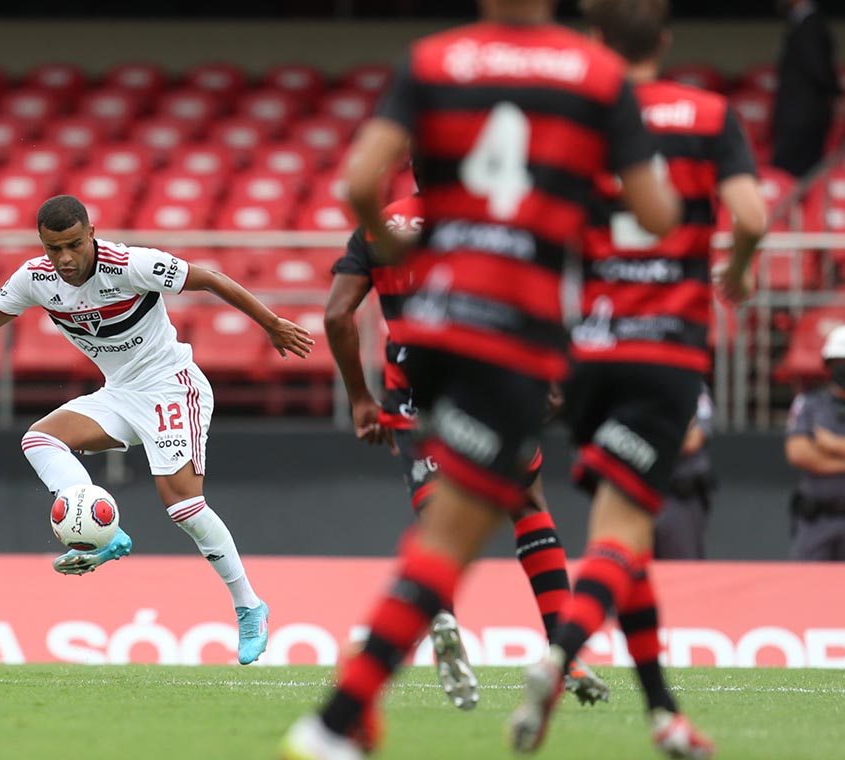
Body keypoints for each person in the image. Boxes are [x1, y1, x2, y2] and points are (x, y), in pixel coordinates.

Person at [280, 0, 679, 756]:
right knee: (487, 520)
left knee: (458, 517)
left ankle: (345, 717)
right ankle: (340, 720)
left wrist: (400, 243)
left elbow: (360, 182)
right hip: (511, 330)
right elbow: (652, 213)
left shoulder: (435, 60)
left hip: (426, 344)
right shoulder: (591, 73)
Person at [0, 195, 313, 666]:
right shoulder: (36, 279)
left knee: (183, 507)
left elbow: (211, 279)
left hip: (172, 387)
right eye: (55, 249)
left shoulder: (132, 265)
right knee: (38, 438)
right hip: (120, 394)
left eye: (75, 244)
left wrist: (272, 325)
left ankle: (249, 606)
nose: (66, 258)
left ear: (91, 232)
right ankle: (103, 526)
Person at [508, 2, 766, 758]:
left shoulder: (576, 119)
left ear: (596, 41)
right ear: (665, 40)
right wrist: (739, 270)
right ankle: (558, 658)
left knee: (627, 534)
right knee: (621, 537)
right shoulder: (708, 114)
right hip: (664, 355)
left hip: (591, 353)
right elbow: (750, 213)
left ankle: (663, 717)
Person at [326, 191, 607, 711]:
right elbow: (534, 290)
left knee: (438, 514)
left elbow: (338, 316)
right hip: (490, 374)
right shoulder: (490, 214)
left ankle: (444, 615)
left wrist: (360, 398)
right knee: (526, 504)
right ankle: (564, 650)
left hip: (413, 382)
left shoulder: (381, 225)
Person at [784, 324, 845, 561]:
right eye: (838, 361)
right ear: (828, 365)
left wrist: (833, 444)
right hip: (816, 521)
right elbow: (798, 453)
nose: (844, 368)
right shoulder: (809, 404)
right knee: (808, 591)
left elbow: (817, 449)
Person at [771, 0, 841, 178]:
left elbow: (817, 66)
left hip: (804, 117)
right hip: (799, 115)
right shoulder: (801, 22)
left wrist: (836, 93)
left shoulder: (811, 24)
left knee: (798, 174)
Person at [654, 387, 715, 560]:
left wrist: (649, 431)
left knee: (681, 568)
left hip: (679, 494)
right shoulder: (636, 377)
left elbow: (692, 440)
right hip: (638, 491)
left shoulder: (692, 384)